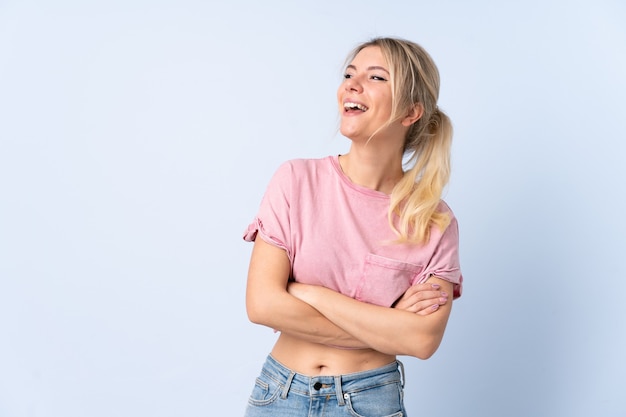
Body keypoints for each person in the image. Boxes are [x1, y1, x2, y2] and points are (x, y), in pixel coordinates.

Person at [242, 37, 463, 417]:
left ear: (411, 112)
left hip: (370, 401)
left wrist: (309, 293)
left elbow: (423, 340)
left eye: (376, 77)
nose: (352, 84)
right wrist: (388, 324)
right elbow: (263, 304)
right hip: (279, 395)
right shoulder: (296, 180)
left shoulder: (433, 220)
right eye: (349, 74)